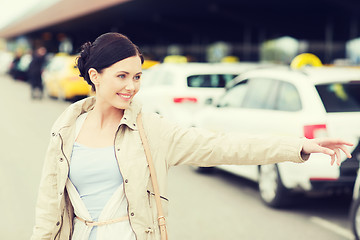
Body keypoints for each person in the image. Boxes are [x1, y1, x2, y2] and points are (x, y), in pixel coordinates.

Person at [30, 32, 353, 240]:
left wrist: (297, 145)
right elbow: (49, 206)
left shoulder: (150, 129)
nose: (131, 86)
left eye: (138, 76)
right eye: (122, 76)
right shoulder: (65, 129)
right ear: (94, 76)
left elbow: (223, 145)